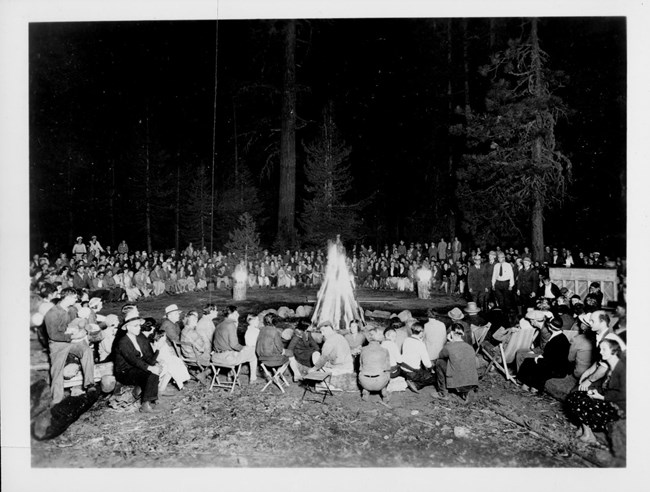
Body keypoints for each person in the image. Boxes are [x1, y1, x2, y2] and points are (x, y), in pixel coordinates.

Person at [565, 338, 626, 444]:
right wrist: (597, 393)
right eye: (600, 349)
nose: (600, 352)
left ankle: (589, 435)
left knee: (581, 401)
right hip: (608, 400)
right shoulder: (611, 365)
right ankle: (585, 430)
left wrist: (601, 397)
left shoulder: (621, 369)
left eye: (604, 349)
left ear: (614, 351)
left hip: (618, 409)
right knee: (575, 396)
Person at [44, 287, 96, 405]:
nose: (76, 299)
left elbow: (74, 323)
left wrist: (82, 330)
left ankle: (89, 384)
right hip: (58, 343)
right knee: (57, 369)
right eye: (74, 297)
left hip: (71, 341)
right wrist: (73, 336)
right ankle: (57, 399)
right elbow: (53, 335)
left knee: (86, 350)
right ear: (67, 297)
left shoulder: (71, 310)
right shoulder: (52, 313)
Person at [114, 313, 165, 413]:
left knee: (155, 369)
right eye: (135, 326)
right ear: (128, 327)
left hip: (137, 367)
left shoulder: (140, 337)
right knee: (151, 373)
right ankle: (145, 405)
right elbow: (134, 360)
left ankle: (150, 398)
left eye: (139, 325)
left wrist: (155, 360)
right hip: (125, 371)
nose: (139, 328)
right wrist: (150, 368)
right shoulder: (123, 342)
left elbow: (147, 355)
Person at [517, 317, 570, 393]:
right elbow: (551, 355)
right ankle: (527, 384)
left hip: (556, 368)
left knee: (531, 363)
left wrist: (538, 359)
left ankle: (531, 386)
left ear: (550, 327)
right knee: (529, 361)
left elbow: (550, 360)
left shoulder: (556, 340)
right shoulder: (561, 337)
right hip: (556, 364)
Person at [434, 323, 479, 401]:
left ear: (451, 333)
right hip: (472, 383)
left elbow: (440, 355)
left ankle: (443, 393)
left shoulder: (449, 347)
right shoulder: (470, 347)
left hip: (458, 383)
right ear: (462, 334)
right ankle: (466, 392)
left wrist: (449, 341)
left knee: (439, 362)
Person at [212, 316, 258, 384]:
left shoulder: (219, 324)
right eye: (236, 313)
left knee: (236, 354)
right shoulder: (231, 325)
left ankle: (230, 374)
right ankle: (253, 379)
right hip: (227, 359)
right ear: (232, 314)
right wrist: (243, 348)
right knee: (253, 354)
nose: (238, 314)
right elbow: (234, 345)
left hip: (215, 357)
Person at [309, 322, 354, 389]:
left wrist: (313, 369)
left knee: (319, 367)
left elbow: (323, 358)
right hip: (349, 367)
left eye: (322, 332)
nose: (323, 334)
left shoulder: (329, 341)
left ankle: (328, 385)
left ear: (325, 331)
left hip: (341, 369)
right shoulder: (340, 336)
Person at [399, 322, 437, 392]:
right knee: (434, 377)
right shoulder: (420, 344)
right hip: (412, 372)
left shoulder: (406, 340)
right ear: (421, 332)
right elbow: (427, 364)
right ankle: (415, 384)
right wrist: (432, 366)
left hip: (402, 369)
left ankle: (407, 379)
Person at [358, 326, 391, 402]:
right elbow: (387, 368)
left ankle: (365, 390)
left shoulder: (363, 349)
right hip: (379, 382)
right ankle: (384, 390)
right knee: (387, 372)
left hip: (364, 382)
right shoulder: (384, 350)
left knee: (361, 372)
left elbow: (360, 367)